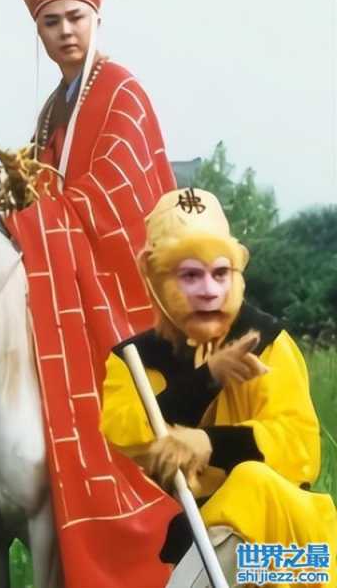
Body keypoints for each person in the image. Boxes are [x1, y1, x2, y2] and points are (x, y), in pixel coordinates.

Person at [0, 0, 181, 586]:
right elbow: (47, 189)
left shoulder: (122, 90)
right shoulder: (52, 108)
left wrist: (44, 213)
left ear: (96, 19)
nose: (65, 32)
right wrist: (18, 204)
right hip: (66, 273)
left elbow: (120, 193)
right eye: (50, 22)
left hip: (119, 281)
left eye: (75, 17)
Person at [101, 187, 337, 581]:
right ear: (154, 278)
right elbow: (131, 434)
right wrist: (207, 379)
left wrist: (209, 443)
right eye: (190, 275)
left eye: (220, 273)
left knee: (252, 482)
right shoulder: (133, 362)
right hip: (201, 536)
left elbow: (298, 447)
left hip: (289, 552)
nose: (209, 291)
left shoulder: (267, 342)